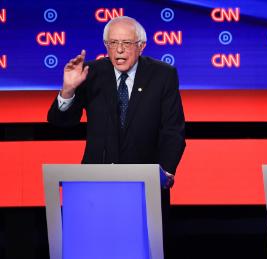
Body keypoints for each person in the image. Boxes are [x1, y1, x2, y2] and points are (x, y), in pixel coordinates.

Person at [47, 15, 186, 250]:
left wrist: (166, 172)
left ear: (141, 46)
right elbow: (61, 123)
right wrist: (68, 90)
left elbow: (173, 130)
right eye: (112, 43)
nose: (119, 50)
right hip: (94, 187)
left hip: (144, 188)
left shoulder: (163, 75)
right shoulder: (91, 73)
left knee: (142, 249)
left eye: (126, 43)